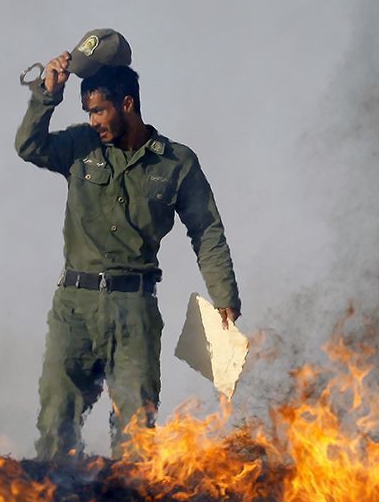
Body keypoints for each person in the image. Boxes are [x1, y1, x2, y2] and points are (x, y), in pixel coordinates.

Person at [15, 29, 241, 460]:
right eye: (88, 111)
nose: (94, 121)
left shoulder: (176, 161)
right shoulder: (79, 147)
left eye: (99, 111)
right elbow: (28, 146)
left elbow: (207, 230)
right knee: (56, 423)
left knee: (136, 433)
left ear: (128, 105)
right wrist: (48, 95)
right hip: (74, 307)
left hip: (134, 311)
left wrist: (224, 295)